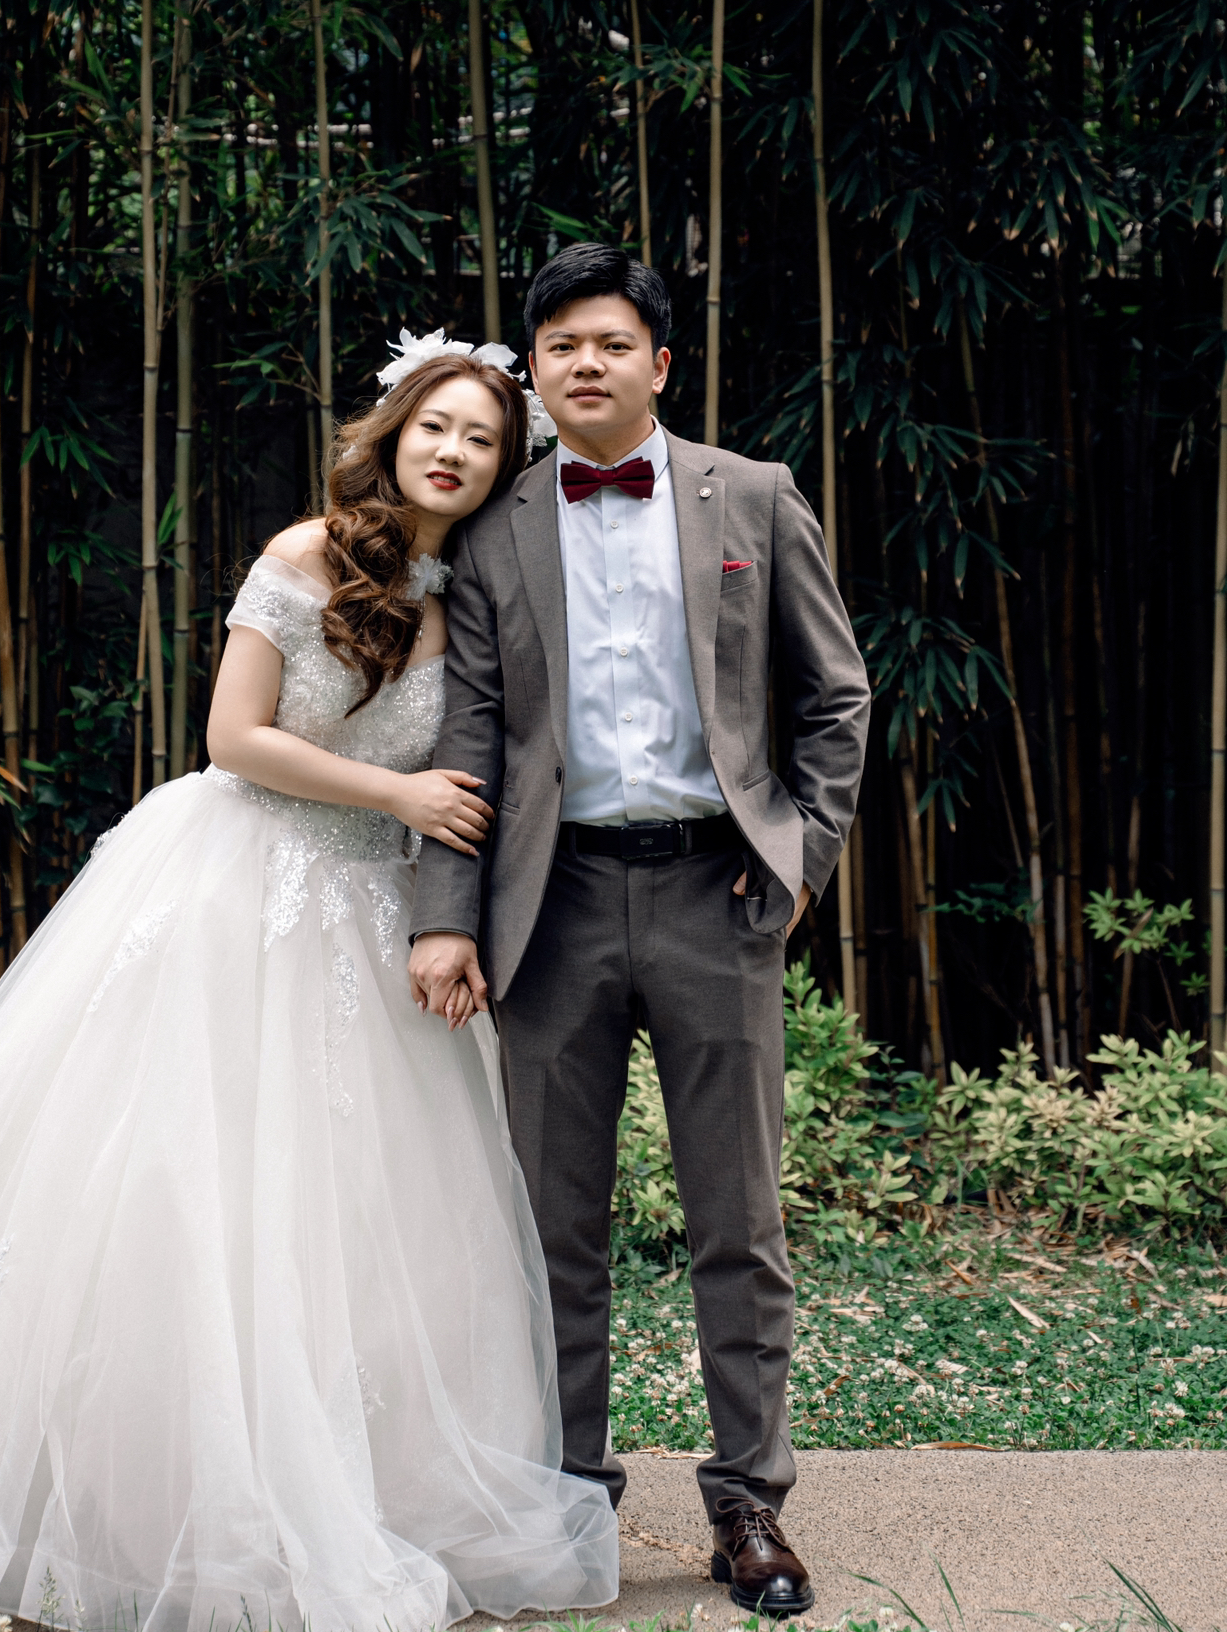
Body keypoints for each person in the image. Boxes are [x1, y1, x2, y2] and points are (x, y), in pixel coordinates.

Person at [0, 345, 619, 1632]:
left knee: (350, 1211)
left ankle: (339, 1486)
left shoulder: (474, 598)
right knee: (169, 1181)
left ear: (507, 468)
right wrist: (397, 791)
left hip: (372, 912)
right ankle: (76, 1495)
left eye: (482, 439)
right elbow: (234, 736)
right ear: (393, 432)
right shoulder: (303, 554)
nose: (451, 451)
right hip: (235, 886)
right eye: (433, 425)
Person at [410, 243, 871, 1619]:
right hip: (546, 908)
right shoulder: (494, 524)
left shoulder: (754, 494)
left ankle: (749, 1505)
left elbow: (834, 697)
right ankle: (568, 1504)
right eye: (560, 345)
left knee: (739, 1217)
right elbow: (467, 733)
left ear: (659, 363)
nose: (587, 363)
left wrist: (799, 858)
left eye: (612, 342)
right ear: (535, 372)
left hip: (716, 894)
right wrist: (446, 916)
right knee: (551, 1227)